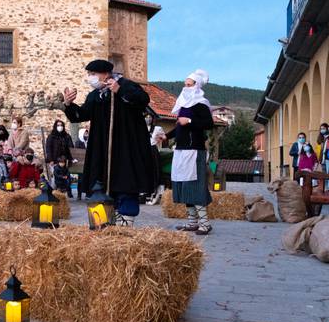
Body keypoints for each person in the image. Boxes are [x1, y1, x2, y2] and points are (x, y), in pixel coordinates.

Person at [63, 59, 155, 226]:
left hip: (126, 146)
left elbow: (143, 100)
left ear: (105, 74)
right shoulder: (95, 95)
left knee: (126, 182)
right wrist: (68, 105)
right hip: (102, 148)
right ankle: (107, 219)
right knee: (103, 183)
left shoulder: (126, 85)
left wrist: (119, 90)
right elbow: (81, 115)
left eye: (93, 74)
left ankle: (126, 220)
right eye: (89, 74)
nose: (90, 78)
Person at [168, 70, 215, 235]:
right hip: (181, 150)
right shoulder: (183, 105)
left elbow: (209, 123)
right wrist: (165, 136)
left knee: (195, 186)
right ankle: (192, 222)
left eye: (190, 84)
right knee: (183, 185)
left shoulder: (201, 104)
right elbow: (179, 127)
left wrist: (189, 120)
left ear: (197, 86)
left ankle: (205, 223)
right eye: (185, 84)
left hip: (195, 150)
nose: (186, 87)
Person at [145, 112, 167, 205]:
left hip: (153, 150)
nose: (148, 119)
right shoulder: (140, 128)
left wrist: (160, 138)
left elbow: (164, 137)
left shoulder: (157, 128)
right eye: (146, 117)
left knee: (154, 171)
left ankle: (155, 194)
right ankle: (145, 194)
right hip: (143, 150)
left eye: (150, 117)